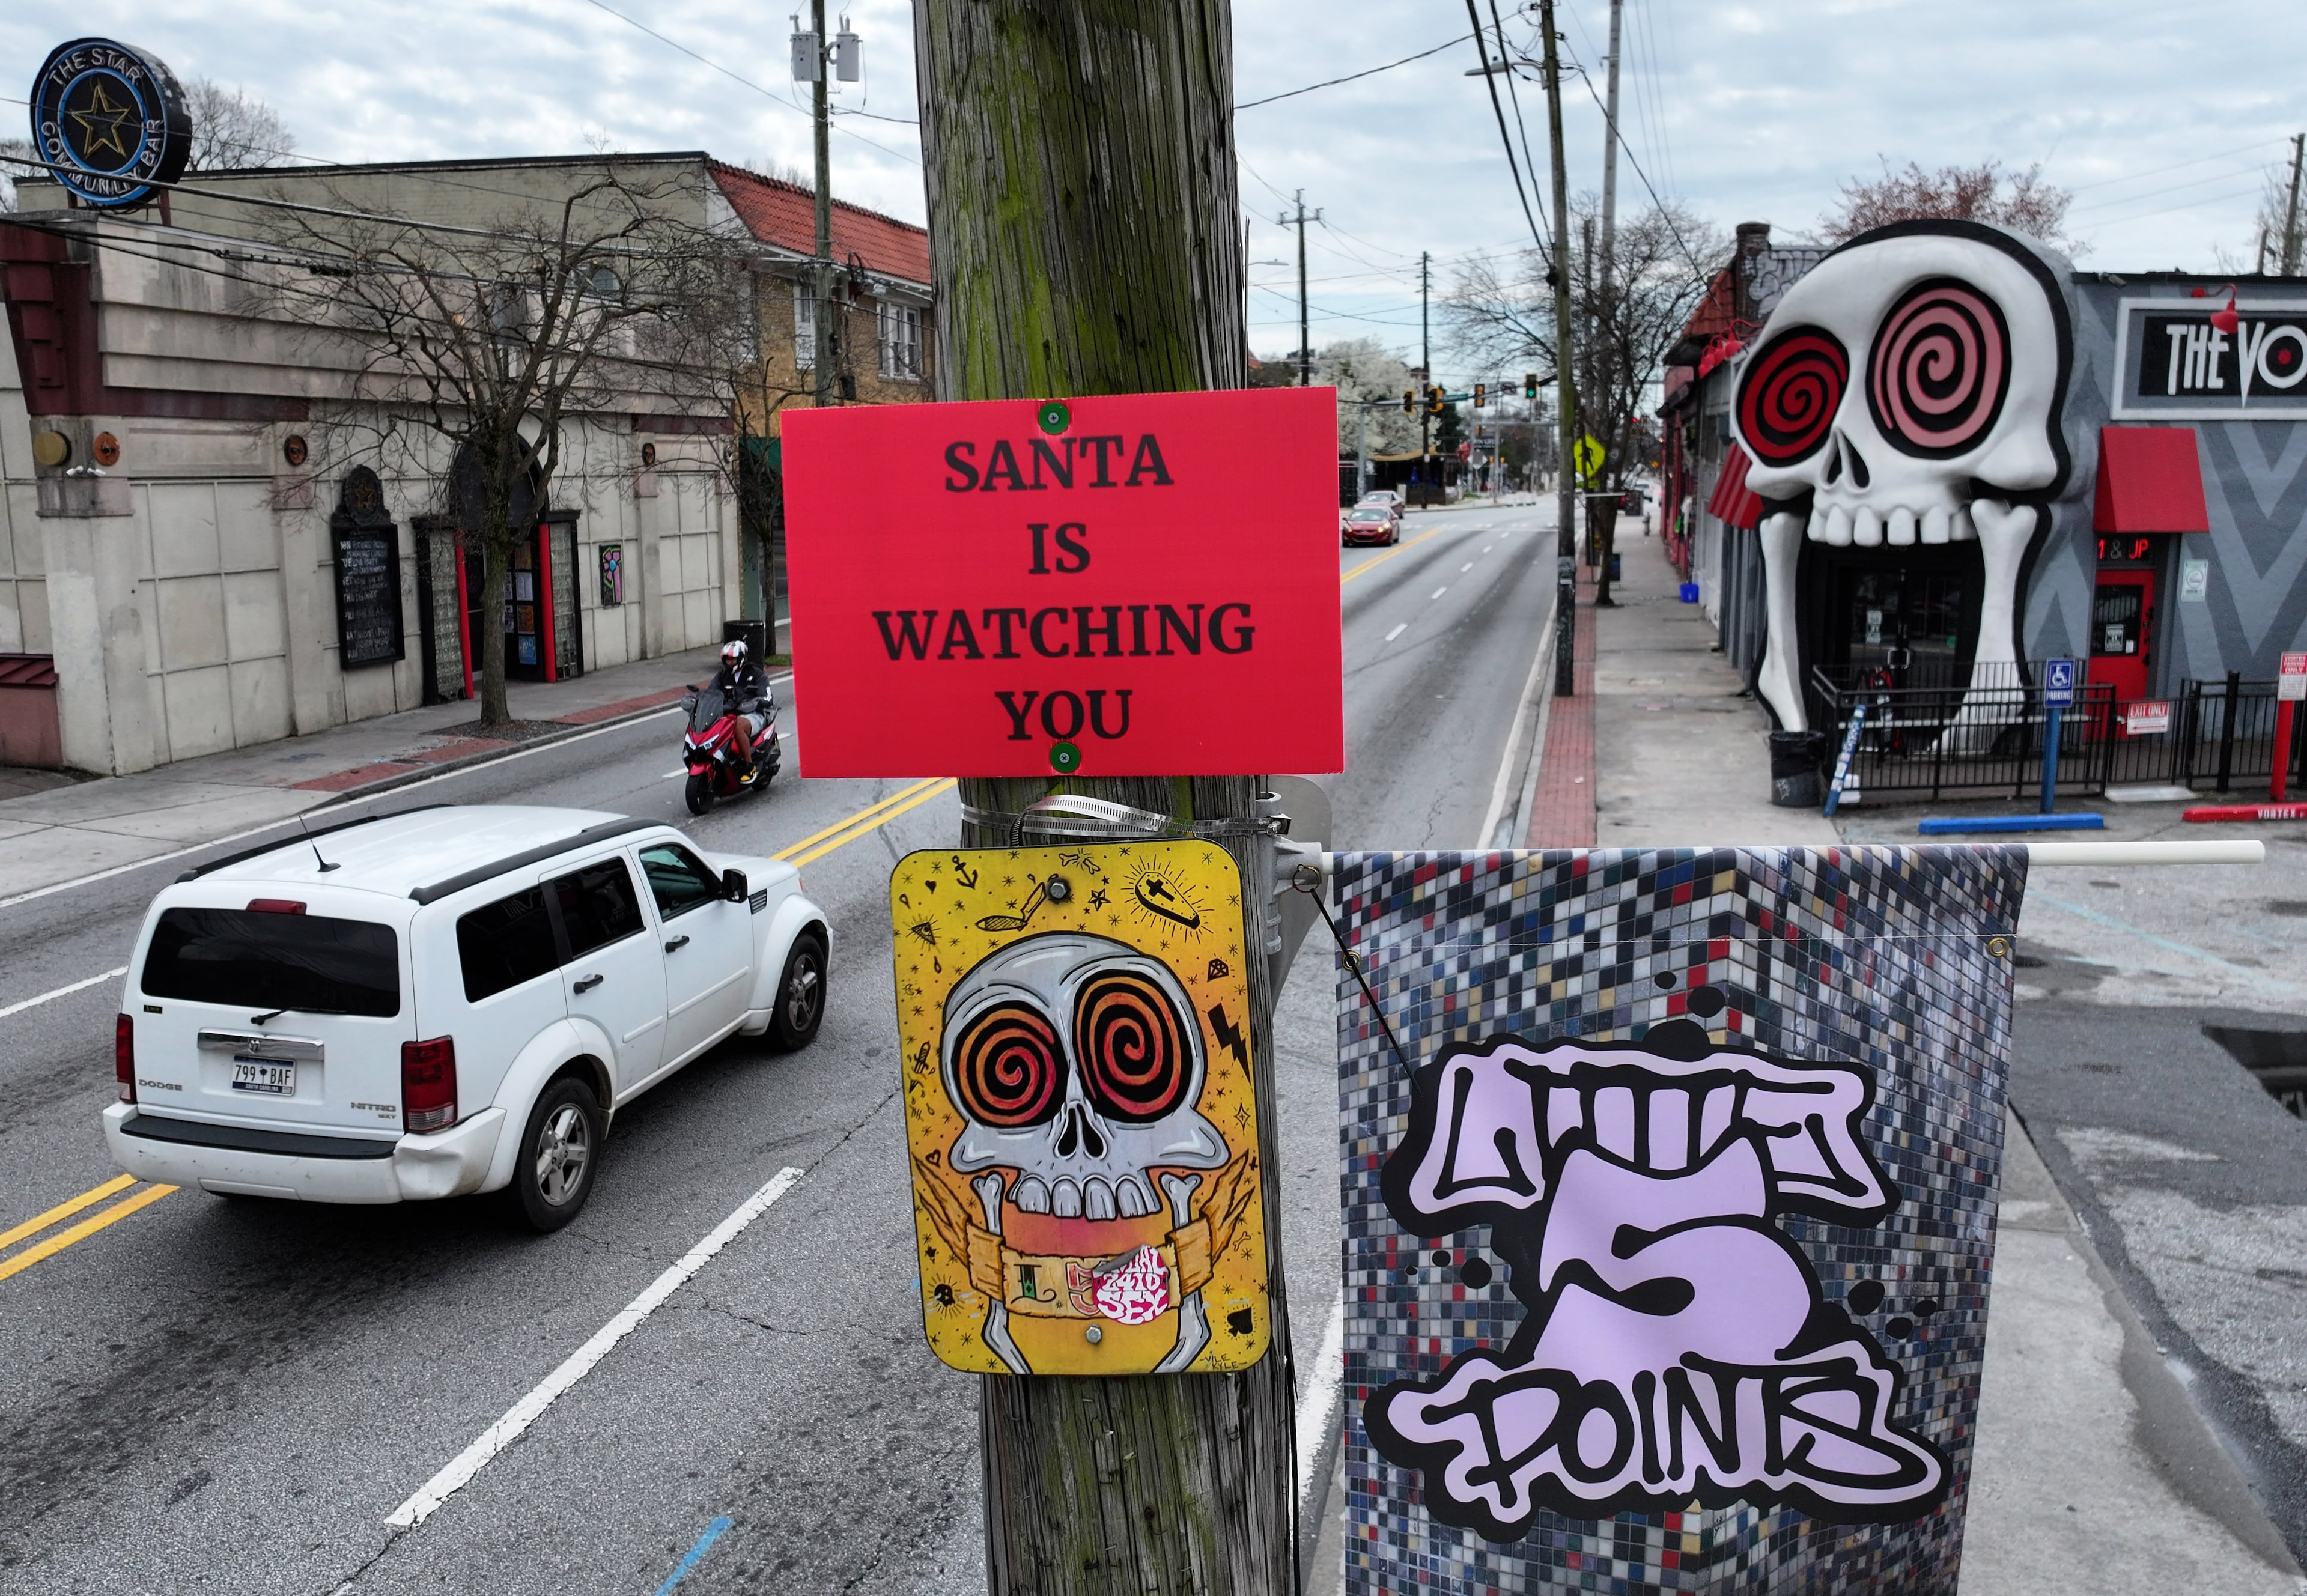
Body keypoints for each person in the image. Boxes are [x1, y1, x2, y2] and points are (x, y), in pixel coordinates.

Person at [699, 639, 772, 777]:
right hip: (728, 714)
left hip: (753, 714)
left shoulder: (756, 674)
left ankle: (749, 766)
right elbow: (711, 693)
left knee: (737, 726)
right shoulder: (722, 676)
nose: (729, 663)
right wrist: (701, 702)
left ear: (741, 659)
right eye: (727, 660)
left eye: (732, 660)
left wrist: (756, 702)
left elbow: (767, 697)